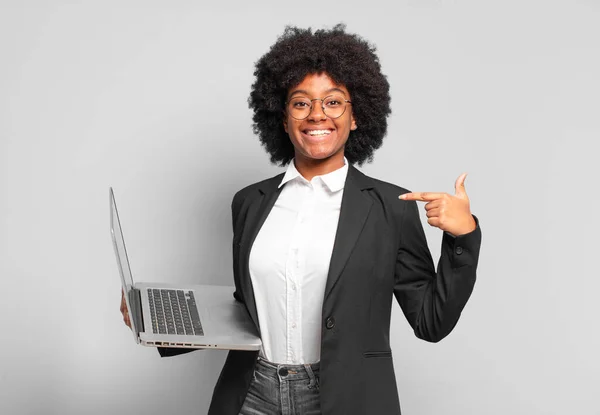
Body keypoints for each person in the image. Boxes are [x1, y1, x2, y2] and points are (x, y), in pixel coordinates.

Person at [120, 24, 482, 415]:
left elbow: (431, 322)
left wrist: (463, 237)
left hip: (344, 398)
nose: (316, 116)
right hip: (252, 393)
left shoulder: (390, 206)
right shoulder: (249, 203)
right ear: (282, 116)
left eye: (333, 102)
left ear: (356, 116)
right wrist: (158, 323)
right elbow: (249, 308)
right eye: (300, 103)